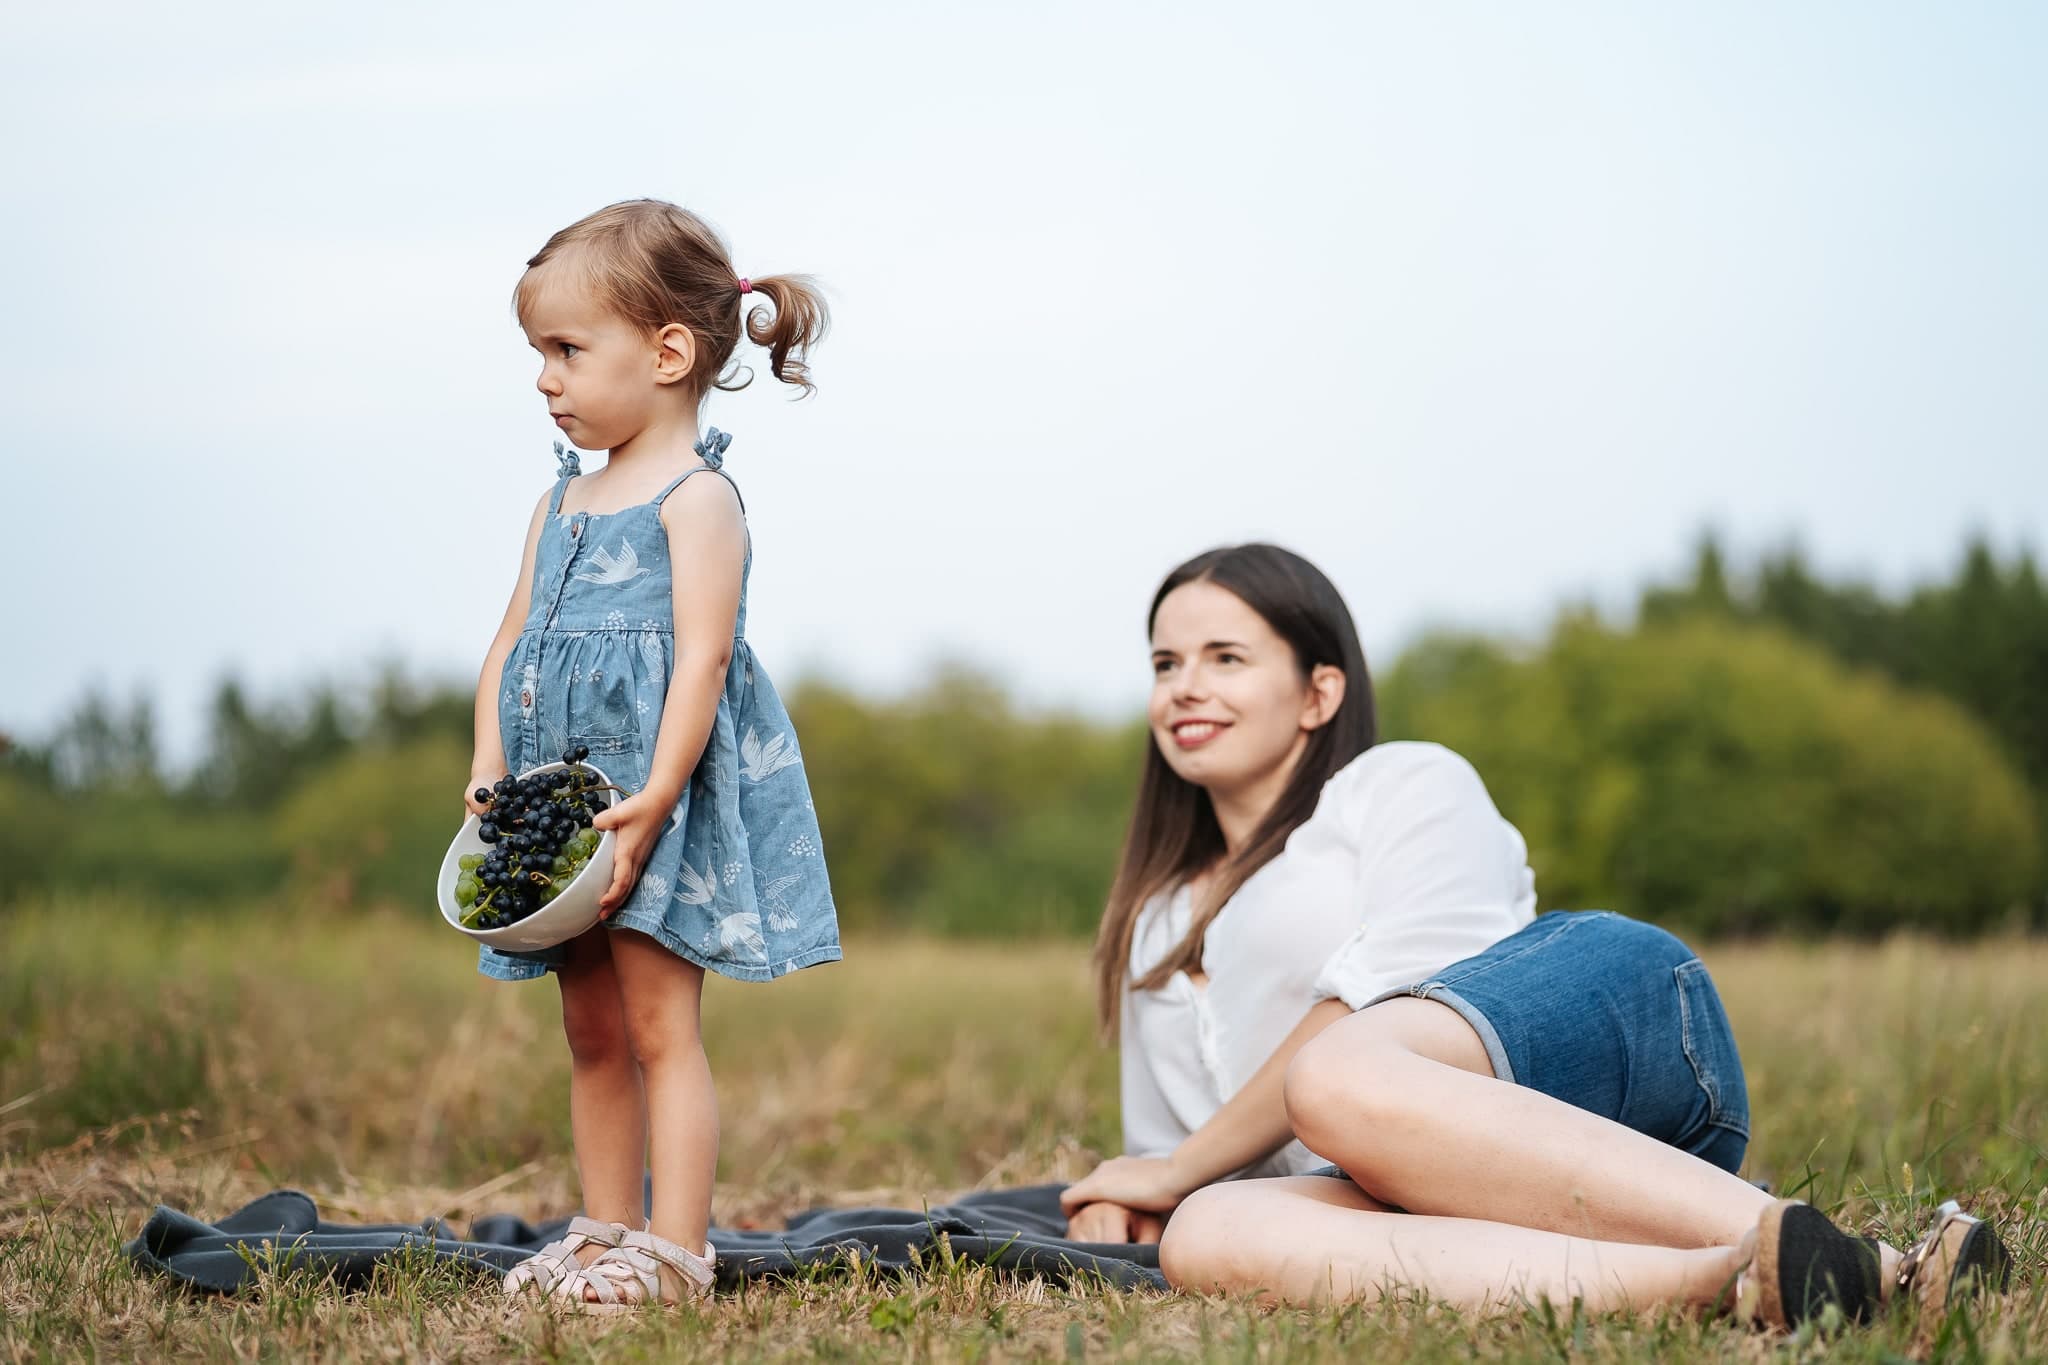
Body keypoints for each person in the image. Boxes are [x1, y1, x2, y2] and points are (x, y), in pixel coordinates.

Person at [1058, 543, 2008, 1327]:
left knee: (1336, 1073)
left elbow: (1391, 999)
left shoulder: (1399, 784)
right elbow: (1175, 1156)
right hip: (1398, 1178)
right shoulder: (1154, 921)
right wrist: (1141, 1197)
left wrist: (1180, 1166)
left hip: (1608, 1037)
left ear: (1319, 693)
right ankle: (1739, 1276)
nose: (1186, 686)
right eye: (1164, 663)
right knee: (1210, 1235)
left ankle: (1895, 1255)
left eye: (1226, 657)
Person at [464, 200, 842, 1311]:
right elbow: (508, 643)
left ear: (668, 352)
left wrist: (660, 792)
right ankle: (601, 1233)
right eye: (539, 353)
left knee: (655, 1024)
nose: (546, 378)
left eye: (567, 351)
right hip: (561, 809)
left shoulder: (697, 499)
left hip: (649, 802)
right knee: (587, 1025)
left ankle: (673, 1251)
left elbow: (703, 661)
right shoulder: (560, 503)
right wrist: (493, 763)